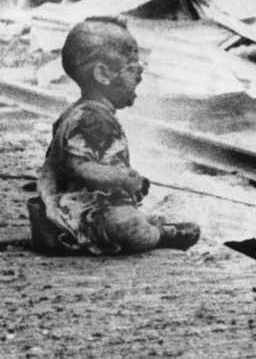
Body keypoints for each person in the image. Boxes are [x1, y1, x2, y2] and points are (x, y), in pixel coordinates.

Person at [32, 16, 200, 255]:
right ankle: (161, 235)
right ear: (103, 74)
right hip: (76, 211)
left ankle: (152, 226)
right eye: (134, 69)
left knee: (126, 214)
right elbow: (77, 166)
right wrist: (121, 178)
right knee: (128, 226)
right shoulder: (92, 119)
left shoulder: (82, 113)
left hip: (81, 203)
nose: (140, 76)